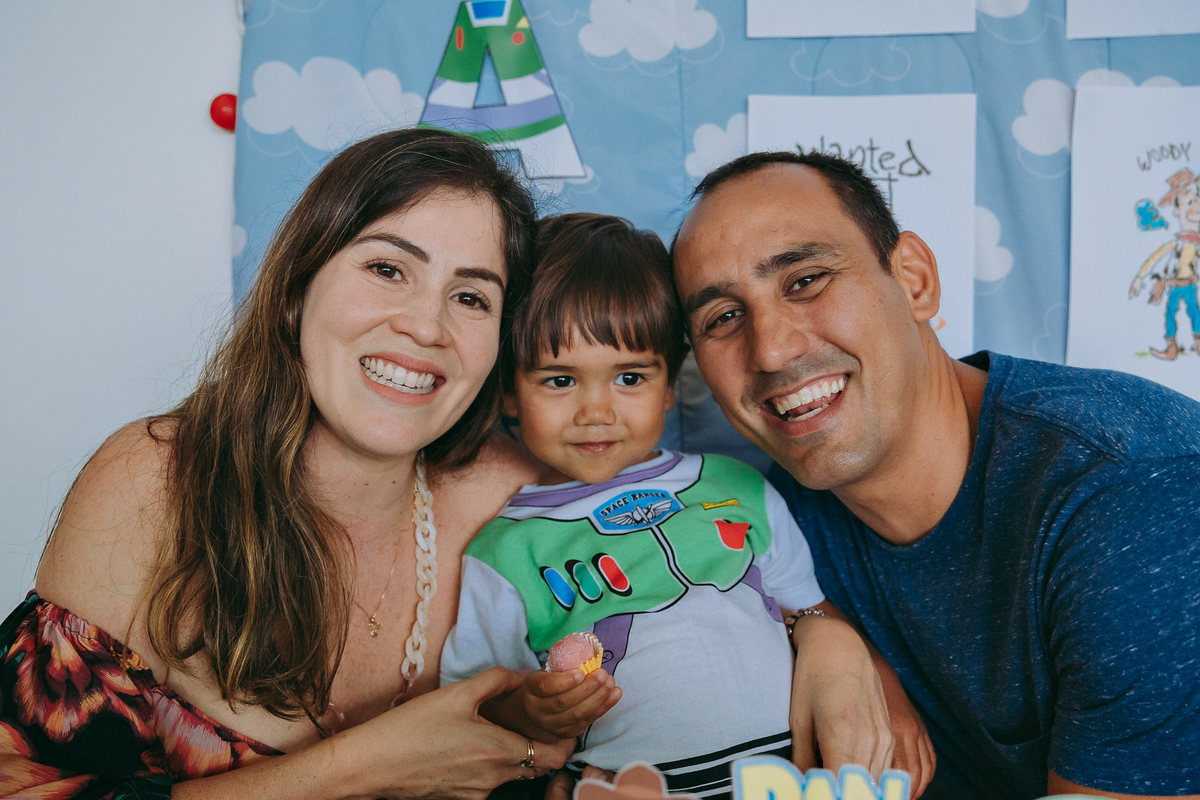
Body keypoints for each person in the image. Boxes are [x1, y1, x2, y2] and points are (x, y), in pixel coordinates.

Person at [0, 128, 579, 799]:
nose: (427, 326)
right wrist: (368, 767)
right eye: (388, 269)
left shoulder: (523, 502)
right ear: (296, 291)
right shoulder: (157, 483)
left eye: (471, 296)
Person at [670, 150, 1200, 799]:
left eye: (805, 280)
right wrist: (825, 629)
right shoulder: (764, 519)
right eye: (722, 318)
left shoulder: (1130, 492)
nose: (772, 348)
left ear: (914, 280)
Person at [441, 213, 929, 799]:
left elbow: (813, 615)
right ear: (508, 394)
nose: (597, 411)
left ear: (669, 385)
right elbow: (472, 717)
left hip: (788, 777)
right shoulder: (503, 553)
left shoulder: (738, 487)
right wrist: (531, 713)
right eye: (559, 381)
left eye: (629, 377)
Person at [1128, 167, 1200, 360]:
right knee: (1170, 315)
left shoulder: (1196, 244)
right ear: (1178, 210)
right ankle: (1171, 348)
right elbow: (1155, 258)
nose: (1197, 208)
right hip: (1175, 286)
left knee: (1194, 313)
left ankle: (1198, 343)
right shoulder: (1176, 243)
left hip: (1190, 285)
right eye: (1191, 202)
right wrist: (1139, 278)